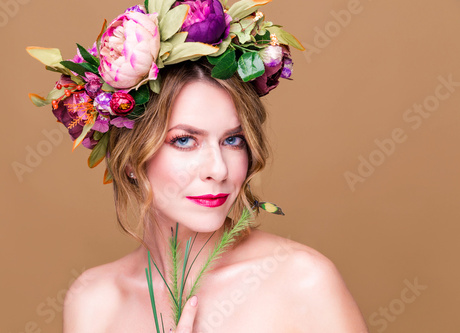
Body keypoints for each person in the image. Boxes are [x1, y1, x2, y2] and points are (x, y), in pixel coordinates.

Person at [27, 1, 369, 331]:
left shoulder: (302, 282)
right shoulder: (94, 301)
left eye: (232, 140)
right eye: (185, 140)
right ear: (131, 158)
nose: (218, 170)